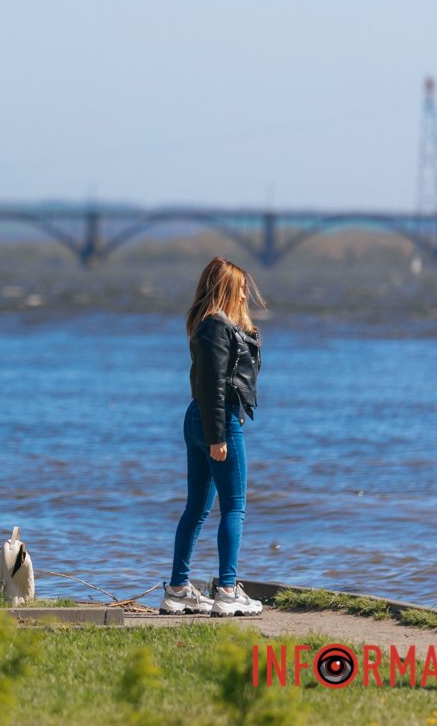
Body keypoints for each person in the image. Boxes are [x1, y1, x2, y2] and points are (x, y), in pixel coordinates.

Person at [161, 257, 265, 617]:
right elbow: (214, 385)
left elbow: (217, 382)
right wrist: (218, 435)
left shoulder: (209, 326)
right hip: (214, 422)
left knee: (198, 507)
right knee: (234, 506)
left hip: (199, 418)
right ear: (225, 289)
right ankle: (227, 590)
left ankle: (178, 589)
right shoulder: (216, 328)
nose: (244, 295)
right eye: (239, 288)